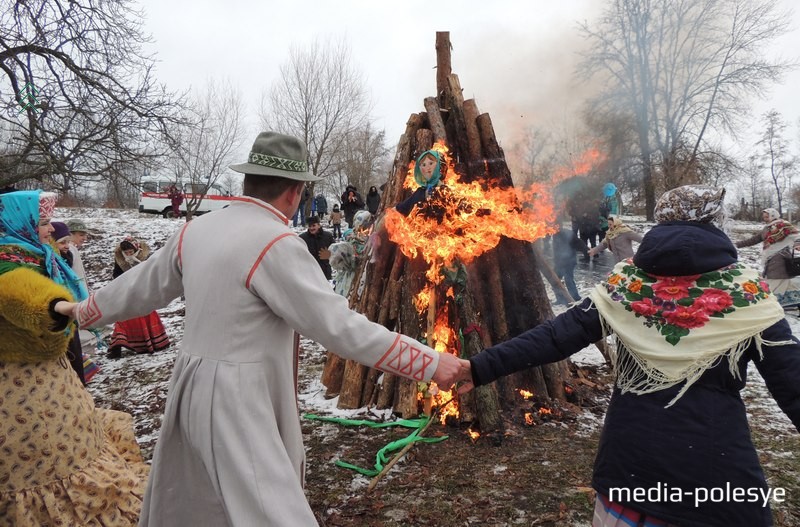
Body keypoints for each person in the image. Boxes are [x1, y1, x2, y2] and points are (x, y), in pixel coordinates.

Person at [59, 131, 463, 526]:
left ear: (249, 181)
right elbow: (341, 328)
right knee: (272, 510)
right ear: (293, 193)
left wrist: (79, 311)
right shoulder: (276, 244)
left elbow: (137, 286)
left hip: (189, 388)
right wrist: (431, 364)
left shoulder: (197, 229)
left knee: (203, 505)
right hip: (237, 401)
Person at [452, 185, 800, 527]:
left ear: (660, 222)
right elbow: (793, 382)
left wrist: (481, 367)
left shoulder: (626, 284)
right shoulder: (747, 293)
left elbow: (555, 336)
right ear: (717, 224)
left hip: (628, 472)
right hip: (716, 481)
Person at [0, 189, 149, 525]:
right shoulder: (7, 260)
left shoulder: (36, 254)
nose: (51, 229)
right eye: (43, 222)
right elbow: (19, 292)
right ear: (17, 222)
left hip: (51, 373)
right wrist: (62, 307)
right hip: (19, 386)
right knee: (42, 467)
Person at [107, 236, 170, 358]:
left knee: (145, 316)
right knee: (124, 318)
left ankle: (150, 341)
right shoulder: (120, 259)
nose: (129, 254)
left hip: (143, 292)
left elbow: (153, 273)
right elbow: (116, 275)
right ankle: (119, 343)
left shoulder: (145, 256)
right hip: (126, 292)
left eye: (131, 252)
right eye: (126, 252)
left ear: (136, 249)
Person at [736, 207, 800, 308]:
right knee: (776, 280)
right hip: (770, 259)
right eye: (764, 216)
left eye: (767, 216)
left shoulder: (783, 225)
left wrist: (797, 244)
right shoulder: (767, 228)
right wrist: (735, 245)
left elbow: (796, 235)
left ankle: (776, 303)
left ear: (773, 215)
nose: (765, 218)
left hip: (781, 258)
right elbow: (754, 240)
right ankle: (787, 301)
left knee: (776, 280)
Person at [51, 221, 87, 385]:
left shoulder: (66, 257)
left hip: (71, 313)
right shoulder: (48, 262)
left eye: (68, 241)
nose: (67, 246)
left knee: (75, 356)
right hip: (58, 318)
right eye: (62, 242)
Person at [395, 149, 445, 216]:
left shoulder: (446, 191)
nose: (427, 167)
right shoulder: (420, 192)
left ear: (439, 165)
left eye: (431, 163)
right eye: (423, 165)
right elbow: (404, 207)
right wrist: (392, 212)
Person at [551, 220, 588, 302]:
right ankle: (560, 299)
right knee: (554, 280)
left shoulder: (568, 233)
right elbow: (556, 249)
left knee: (568, 280)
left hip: (569, 262)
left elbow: (579, 243)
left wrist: (586, 250)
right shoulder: (554, 234)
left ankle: (575, 297)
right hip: (559, 262)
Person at [299, 216, 335, 280]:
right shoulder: (303, 238)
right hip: (310, 271)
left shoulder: (328, 236)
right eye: (309, 226)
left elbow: (335, 251)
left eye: (313, 226)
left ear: (319, 225)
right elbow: (299, 254)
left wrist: (329, 254)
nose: (311, 228)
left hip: (325, 270)